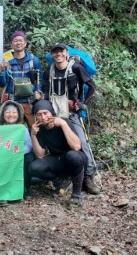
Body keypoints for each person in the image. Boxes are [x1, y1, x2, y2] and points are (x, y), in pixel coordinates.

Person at [43, 42, 99, 195]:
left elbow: (92, 88)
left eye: (61, 51)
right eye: (55, 52)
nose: (58, 54)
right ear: (52, 55)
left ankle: (88, 178)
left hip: (72, 114)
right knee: (58, 145)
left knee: (82, 144)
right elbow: (46, 91)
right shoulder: (49, 71)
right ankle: (64, 176)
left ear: (66, 53)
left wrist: (82, 104)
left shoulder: (75, 68)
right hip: (55, 114)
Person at [29, 100, 87, 207]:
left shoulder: (64, 122)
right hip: (58, 159)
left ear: (52, 113)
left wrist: (63, 124)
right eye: (39, 114)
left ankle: (76, 195)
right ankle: (61, 182)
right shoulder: (39, 129)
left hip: (76, 158)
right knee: (34, 167)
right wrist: (33, 135)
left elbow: (76, 147)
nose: (43, 117)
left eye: (45, 113)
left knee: (72, 155)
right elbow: (40, 155)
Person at [0, 31, 43, 127]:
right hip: (13, 101)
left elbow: (40, 79)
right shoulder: (7, 60)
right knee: (14, 130)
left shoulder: (33, 60)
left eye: (21, 40)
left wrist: (38, 91)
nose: (18, 43)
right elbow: (2, 83)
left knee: (35, 128)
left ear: (25, 43)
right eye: (15, 41)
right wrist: (1, 71)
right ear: (12, 44)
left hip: (30, 101)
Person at [0, 100, 35, 200]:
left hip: (20, 155)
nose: (11, 115)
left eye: (14, 112)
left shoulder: (22, 128)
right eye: (8, 112)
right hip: (5, 157)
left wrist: (17, 152)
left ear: (18, 115)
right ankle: (3, 190)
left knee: (29, 158)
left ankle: (26, 188)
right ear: (3, 114)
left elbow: (29, 145)